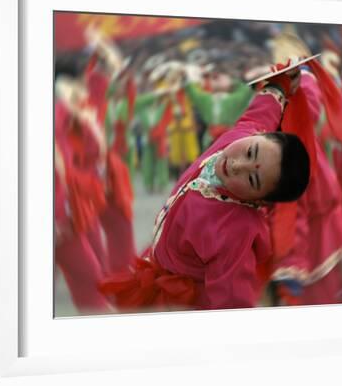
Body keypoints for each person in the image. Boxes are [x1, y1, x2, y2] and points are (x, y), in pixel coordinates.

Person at [99, 60, 311, 311]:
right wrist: (280, 85)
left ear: (261, 201)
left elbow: (232, 299)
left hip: (180, 299)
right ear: (257, 135)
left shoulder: (235, 232)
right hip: (158, 260)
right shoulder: (244, 133)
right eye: (251, 152)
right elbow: (263, 111)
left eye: (252, 180)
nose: (238, 166)